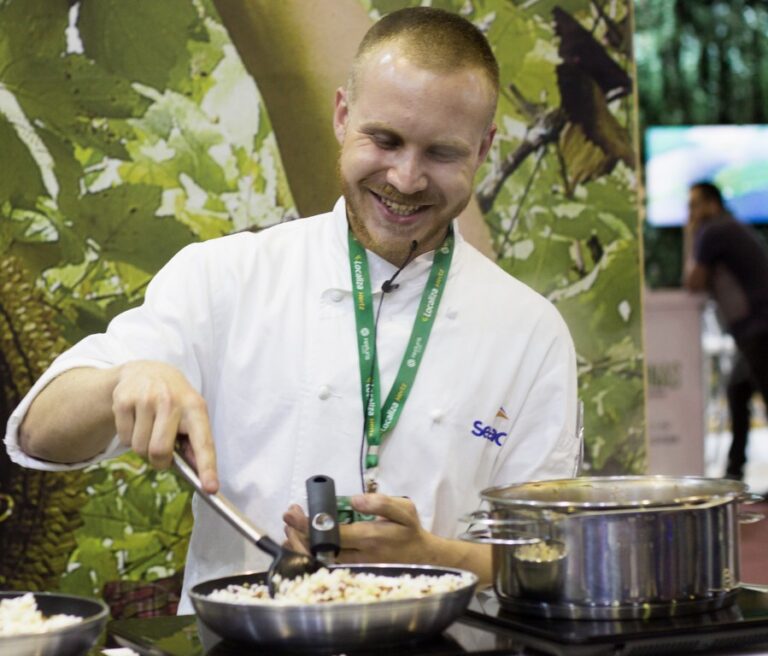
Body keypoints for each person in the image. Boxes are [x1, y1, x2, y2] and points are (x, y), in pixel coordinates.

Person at [4, 7, 579, 611]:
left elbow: (550, 555)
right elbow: (39, 433)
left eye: (441, 153)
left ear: (483, 148)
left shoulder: (529, 331)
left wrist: (433, 557)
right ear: (342, 115)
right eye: (384, 140)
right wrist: (122, 381)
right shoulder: (225, 276)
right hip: (237, 642)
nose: (406, 178)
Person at [684, 181, 768, 480]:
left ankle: (735, 470)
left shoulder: (713, 231)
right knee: (738, 388)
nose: (691, 212)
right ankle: (734, 471)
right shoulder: (730, 227)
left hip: (759, 329)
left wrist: (689, 233)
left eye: (694, 205)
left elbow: (693, 281)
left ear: (712, 203)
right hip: (757, 328)